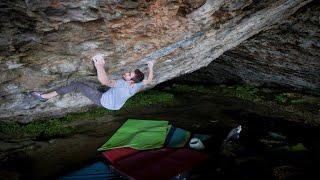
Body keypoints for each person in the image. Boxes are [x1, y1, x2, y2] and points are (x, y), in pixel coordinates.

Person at [30, 55, 154, 110]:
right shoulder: (136, 85)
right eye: (129, 72)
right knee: (95, 85)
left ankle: (44, 97)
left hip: (104, 101)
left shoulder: (121, 84)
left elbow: (104, 81)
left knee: (77, 85)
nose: (126, 73)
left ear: (131, 81)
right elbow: (148, 80)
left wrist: (99, 64)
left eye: (129, 74)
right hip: (115, 103)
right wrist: (151, 67)